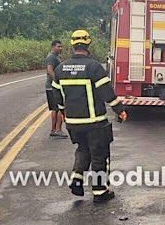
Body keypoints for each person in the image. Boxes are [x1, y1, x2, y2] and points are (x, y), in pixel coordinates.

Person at [52, 29, 128, 202]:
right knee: (99, 155)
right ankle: (100, 192)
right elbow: (107, 93)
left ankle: (76, 180)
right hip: (95, 123)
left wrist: (64, 113)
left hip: (73, 123)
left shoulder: (60, 68)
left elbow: (57, 96)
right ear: (88, 44)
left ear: (72, 45)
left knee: (82, 149)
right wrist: (120, 110)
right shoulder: (94, 67)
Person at [45, 40, 67, 138]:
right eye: (58, 46)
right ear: (53, 46)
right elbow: (49, 70)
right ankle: (58, 130)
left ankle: (54, 130)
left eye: (61, 46)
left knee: (55, 109)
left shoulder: (55, 56)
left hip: (51, 86)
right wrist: (57, 82)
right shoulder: (51, 57)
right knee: (59, 108)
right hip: (53, 86)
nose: (60, 48)